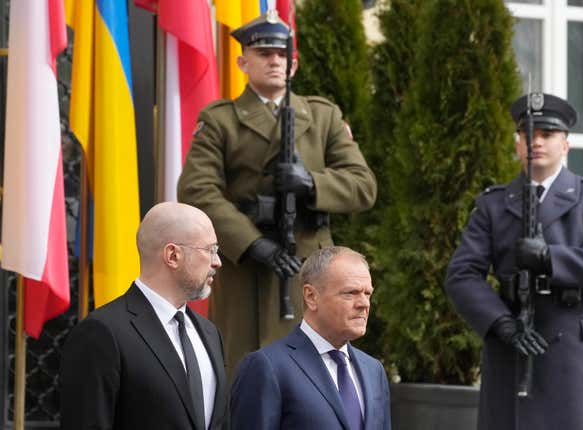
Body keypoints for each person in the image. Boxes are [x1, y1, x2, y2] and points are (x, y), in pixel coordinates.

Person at [177, 10, 377, 374]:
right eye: (264, 53)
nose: (274, 61)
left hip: (308, 268)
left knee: (312, 378)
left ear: (294, 65)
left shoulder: (322, 117)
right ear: (243, 61)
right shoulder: (220, 120)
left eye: (282, 55)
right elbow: (197, 190)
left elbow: (362, 186)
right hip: (247, 269)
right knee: (246, 374)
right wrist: (253, 243)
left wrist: (312, 183)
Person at [445, 93, 583, 430]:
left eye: (547, 135)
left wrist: (551, 259)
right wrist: (501, 323)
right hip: (514, 341)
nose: (536, 142)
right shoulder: (493, 204)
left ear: (565, 145)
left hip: (575, 346)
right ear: (517, 145)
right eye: (528, 136)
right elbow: (462, 275)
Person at [60, 202, 227, 430]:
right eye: (210, 250)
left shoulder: (209, 333)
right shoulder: (103, 332)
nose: (217, 261)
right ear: (172, 255)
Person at [230, 246, 391, 430]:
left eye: (367, 293)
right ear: (311, 296)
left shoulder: (373, 370)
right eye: (350, 293)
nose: (364, 304)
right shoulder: (267, 366)